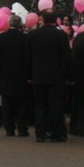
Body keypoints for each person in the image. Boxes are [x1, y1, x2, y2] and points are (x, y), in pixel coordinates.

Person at [27, 11, 70, 143]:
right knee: (56, 105)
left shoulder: (33, 35)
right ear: (55, 20)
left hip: (38, 76)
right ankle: (56, 132)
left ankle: (40, 132)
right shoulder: (61, 35)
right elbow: (67, 57)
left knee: (40, 105)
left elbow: (28, 57)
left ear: (42, 19)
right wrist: (69, 75)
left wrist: (29, 75)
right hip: (56, 76)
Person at [0, 14, 30, 137]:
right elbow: (28, 58)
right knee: (22, 102)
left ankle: (9, 128)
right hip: (22, 74)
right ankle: (22, 128)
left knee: (7, 101)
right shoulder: (25, 38)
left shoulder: (1, 38)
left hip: (6, 74)